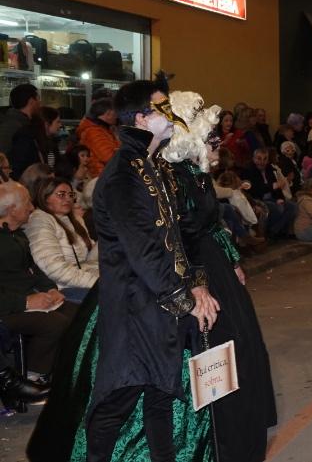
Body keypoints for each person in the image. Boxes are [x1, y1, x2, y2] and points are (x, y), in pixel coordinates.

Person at [85, 80, 220, 462]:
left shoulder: (151, 165)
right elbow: (143, 251)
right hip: (134, 308)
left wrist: (197, 287)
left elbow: (176, 238)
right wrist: (184, 300)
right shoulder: (123, 173)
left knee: (161, 394)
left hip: (159, 304)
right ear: (142, 118)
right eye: (163, 108)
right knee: (118, 400)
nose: (172, 114)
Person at [161, 89, 277, 462]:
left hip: (214, 263)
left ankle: (242, 417)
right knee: (208, 346)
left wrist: (232, 259)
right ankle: (212, 431)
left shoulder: (196, 175)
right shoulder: (173, 178)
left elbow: (212, 226)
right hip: (188, 269)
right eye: (211, 139)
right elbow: (176, 236)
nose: (217, 145)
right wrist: (196, 285)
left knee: (239, 340)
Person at [0, 181, 78, 380]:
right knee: (54, 324)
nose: (32, 207)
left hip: (26, 299)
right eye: (27, 202)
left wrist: (50, 289)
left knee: (77, 314)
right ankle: (31, 378)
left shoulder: (16, 235)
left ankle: (60, 373)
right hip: (7, 307)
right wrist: (25, 302)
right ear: (11, 209)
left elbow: (34, 268)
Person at [23, 178, 98, 303]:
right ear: (45, 197)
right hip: (61, 287)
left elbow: (88, 258)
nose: (68, 199)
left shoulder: (76, 219)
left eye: (71, 194)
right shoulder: (39, 220)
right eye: (61, 195)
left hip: (82, 277)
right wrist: (96, 281)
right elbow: (54, 268)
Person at [242, 148, 297, 239]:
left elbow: (278, 186)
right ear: (254, 159)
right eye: (259, 158)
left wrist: (280, 198)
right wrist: (272, 186)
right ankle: (273, 232)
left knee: (293, 206)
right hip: (258, 199)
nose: (262, 162)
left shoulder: (270, 169)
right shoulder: (248, 171)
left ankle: (274, 231)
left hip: (273, 197)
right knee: (276, 208)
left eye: (265, 159)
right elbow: (253, 190)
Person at [76, 97, 120, 178]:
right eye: (115, 113)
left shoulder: (103, 129)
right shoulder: (93, 131)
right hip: (101, 178)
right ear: (108, 113)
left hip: (106, 176)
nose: (117, 116)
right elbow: (109, 157)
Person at [0, 83, 39, 156]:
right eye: (38, 98)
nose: (40, 102)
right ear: (31, 101)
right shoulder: (11, 125)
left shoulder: (25, 122)